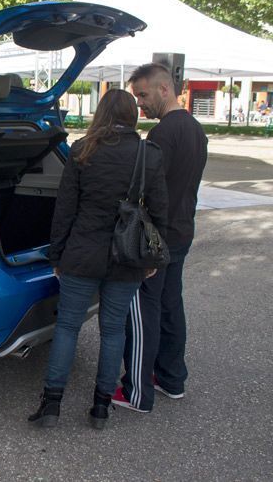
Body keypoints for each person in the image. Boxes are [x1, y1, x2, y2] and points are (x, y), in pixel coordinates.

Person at [28, 89, 168, 429]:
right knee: (113, 331)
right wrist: (152, 259)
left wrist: (57, 254)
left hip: (81, 254)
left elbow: (65, 211)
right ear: (132, 117)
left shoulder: (82, 151)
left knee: (67, 327)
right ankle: (101, 406)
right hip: (127, 259)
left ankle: (51, 404)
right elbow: (160, 212)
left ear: (102, 114)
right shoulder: (148, 155)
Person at [115, 63, 208, 413]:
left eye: (143, 94)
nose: (140, 103)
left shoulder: (160, 137)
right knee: (171, 304)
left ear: (164, 89)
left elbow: (145, 193)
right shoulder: (196, 129)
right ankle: (171, 379)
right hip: (182, 231)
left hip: (156, 239)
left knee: (142, 310)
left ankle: (137, 390)